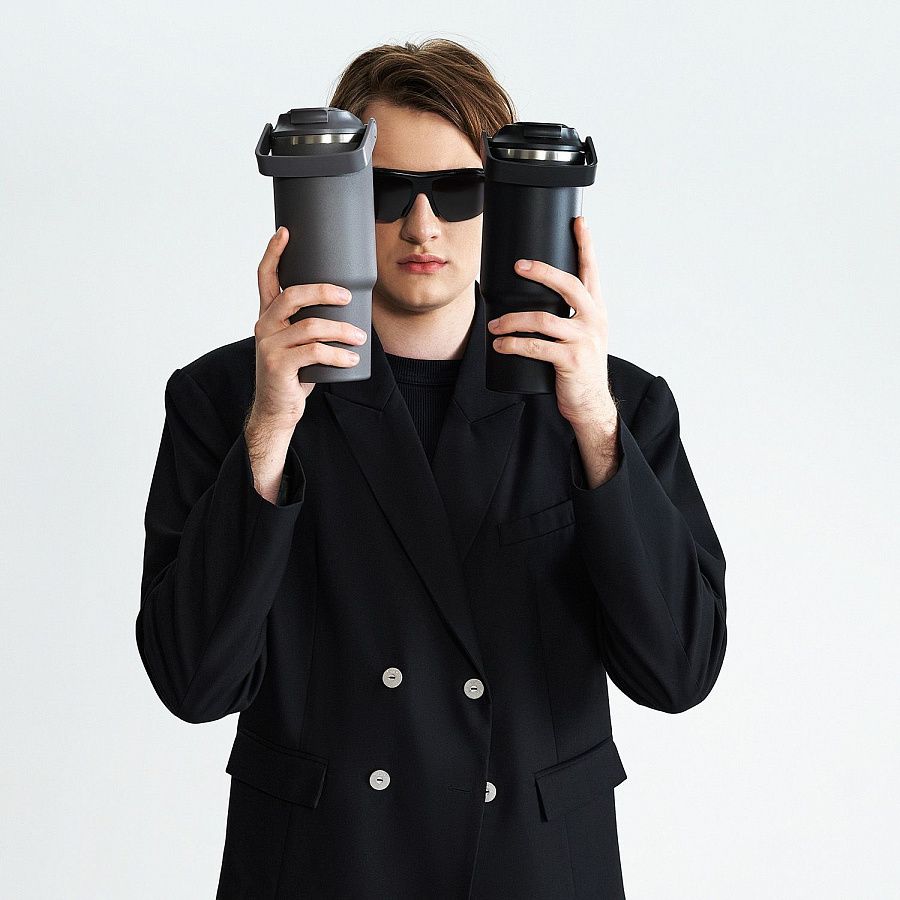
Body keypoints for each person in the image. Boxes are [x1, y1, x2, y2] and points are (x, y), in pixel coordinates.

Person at [137, 38, 727, 900]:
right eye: (387, 190)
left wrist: (596, 428)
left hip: (529, 869)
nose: (422, 226)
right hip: (325, 868)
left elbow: (679, 672)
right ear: (334, 192)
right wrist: (270, 429)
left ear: (508, 196)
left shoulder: (615, 404)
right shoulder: (226, 398)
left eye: (457, 189)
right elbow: (194, 683)